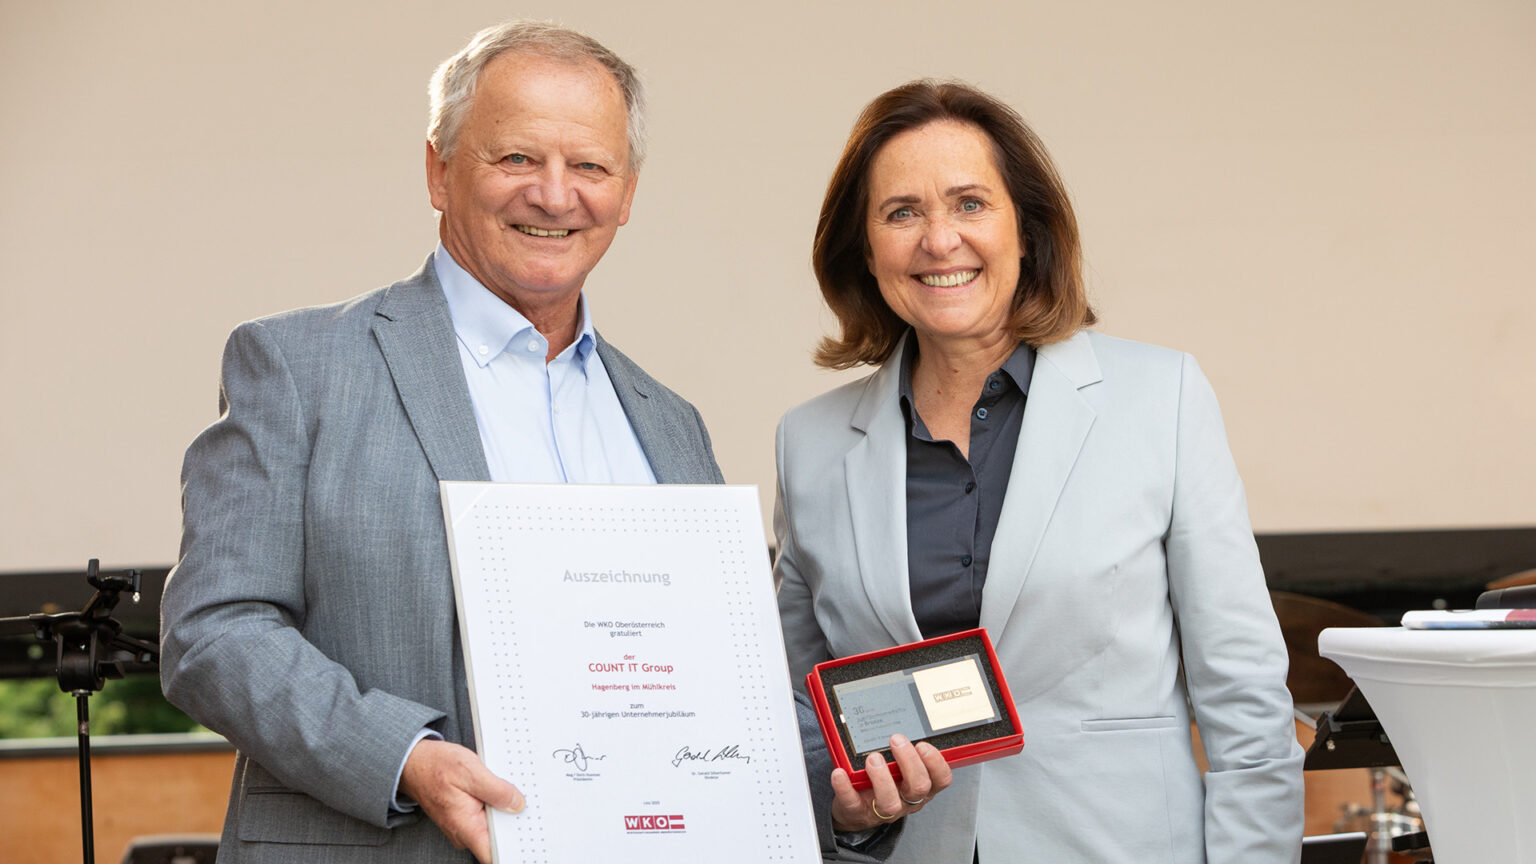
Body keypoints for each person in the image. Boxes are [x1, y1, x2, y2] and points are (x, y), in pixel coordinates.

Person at [160, 21, 946, 864]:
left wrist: (841, 803)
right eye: (516, 159)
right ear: (438, 170)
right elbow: (214, 629)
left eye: (590, 167)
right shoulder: (300, 366)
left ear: (628, 192)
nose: (555, 195)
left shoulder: (670, 423)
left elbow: (723, 694)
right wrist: (405, 759)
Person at [773, 79, 1305, 863]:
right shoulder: (809, 442)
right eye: (901, 212)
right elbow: (792, 710)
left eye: (969, 204)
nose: (939, 240)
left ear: (1028, 230)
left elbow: (1244, 693)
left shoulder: (1162, 398)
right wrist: (843, 810)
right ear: (866, 248)